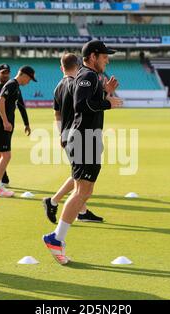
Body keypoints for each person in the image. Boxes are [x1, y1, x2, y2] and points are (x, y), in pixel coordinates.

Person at [43, 40, 123, 265]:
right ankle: (55, 239)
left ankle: (57, 237)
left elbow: (89, 103)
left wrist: (106, 93)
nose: (107, 59)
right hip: (83, 138)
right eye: (105, 56)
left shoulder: (91, 77)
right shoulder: (87, 76)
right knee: (81, 191)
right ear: (93, 56)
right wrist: (109, 103)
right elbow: (82, 105)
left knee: (83, 191)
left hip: (87, 138)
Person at [42, 53, 104, 224]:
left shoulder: (58, 87)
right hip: (79, 135)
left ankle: (81, 210)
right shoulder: (75, 84)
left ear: (62, 67)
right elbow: (86, 106)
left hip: (68, 135)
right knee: (80, 176)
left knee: (78, 175)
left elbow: (57, 114)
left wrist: (61, 135)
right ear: (78, 66)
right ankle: (54, 201)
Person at [0, 66, 35, 197]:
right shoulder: (12, 85)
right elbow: (0, 101)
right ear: (24, 75)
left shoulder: (12, 85)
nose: (29, 82)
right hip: (1, 125)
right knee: (6, 156)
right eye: (30, 79)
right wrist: (5, 121)